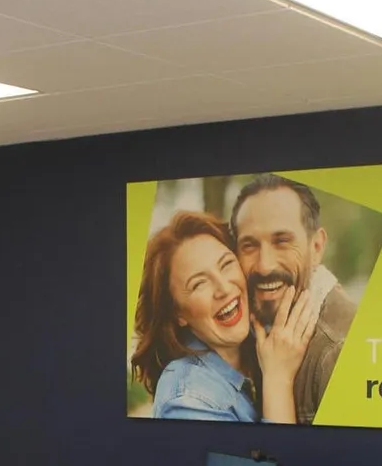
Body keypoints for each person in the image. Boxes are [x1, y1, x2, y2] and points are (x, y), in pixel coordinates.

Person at [130, 210, 316, 422]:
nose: (224, 288)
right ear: (178, 313)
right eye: (199, 284)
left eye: (226, 264)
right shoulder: (187, 401)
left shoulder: (261, 335)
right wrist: (278, 380)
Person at [231, 173, 357, 424]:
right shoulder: (245, 331)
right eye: (249, 245)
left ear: (316, 247)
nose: (265, 266)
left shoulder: (338, 351)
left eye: (282, 241)